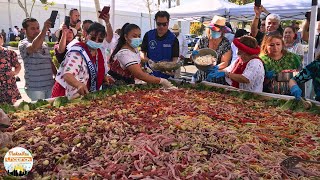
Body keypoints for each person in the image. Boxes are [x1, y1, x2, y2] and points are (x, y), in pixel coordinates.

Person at [107, 23, 176, 89]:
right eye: (134, 36)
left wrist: (144, 69)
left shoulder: (135, 49)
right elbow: (139, 75)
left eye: (139, 36)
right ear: (126, 37)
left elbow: (134, 67)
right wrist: (162, 81)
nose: (137, 38)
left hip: (128, 85)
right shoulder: (124, 54)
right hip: (118, 87)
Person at [52, 22, 108, 99]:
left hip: (84, 94)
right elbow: (67, 75)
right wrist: (78, 84)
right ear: (86, 35)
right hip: (66, 94)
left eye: (100, 40)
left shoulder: (98, 53)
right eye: (93, 38)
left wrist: (103, 77)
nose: (96, 41)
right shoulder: (77, 52)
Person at [18, 18, 55, 101]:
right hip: (35, 88)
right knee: (40, 112)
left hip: (50, 85)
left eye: (38, 28)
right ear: (24, 30)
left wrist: (57, 77)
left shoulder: (44, 43)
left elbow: (50, 62)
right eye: (32, 28)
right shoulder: (23, 44)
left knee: (52, 112)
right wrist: (44, 29)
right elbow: (34, 47)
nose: (36, 31)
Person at [192, 15, 232, 83]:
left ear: (222, 31)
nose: (215, 32)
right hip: (201, 76)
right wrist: (193, 55)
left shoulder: (226, 44)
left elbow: (225, 62)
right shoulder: (203, 40)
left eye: (218, 31)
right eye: (213, 30)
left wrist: (215, 67)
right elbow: (194, 54)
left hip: (216, 76)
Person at [140, 11, 179, 79]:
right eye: (159, 24)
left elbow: (175, 59)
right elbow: (142, 53)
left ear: (168, 22)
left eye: (164, 24)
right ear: (155, 22)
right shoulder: (148, 35)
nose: (161, 26)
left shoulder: (173, 39)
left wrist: (171, 68)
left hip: (167, 76)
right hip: (150, 75)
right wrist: (149, 61)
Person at [0, 34, 21, 105]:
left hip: (7, 85)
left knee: (9, 109)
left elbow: (17, 66)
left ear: (2, 40)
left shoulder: (9, 53)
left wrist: (15, 72)